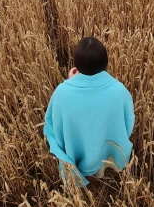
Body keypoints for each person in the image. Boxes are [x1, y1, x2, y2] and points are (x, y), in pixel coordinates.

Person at [44, 37, 135, 186]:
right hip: (108, 153)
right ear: (106, 64)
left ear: (76, 66)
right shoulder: (120, 91)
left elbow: (52, 125)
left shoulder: (61, 92)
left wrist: (73, 82)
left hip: (77, 156)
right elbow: (128, 123)